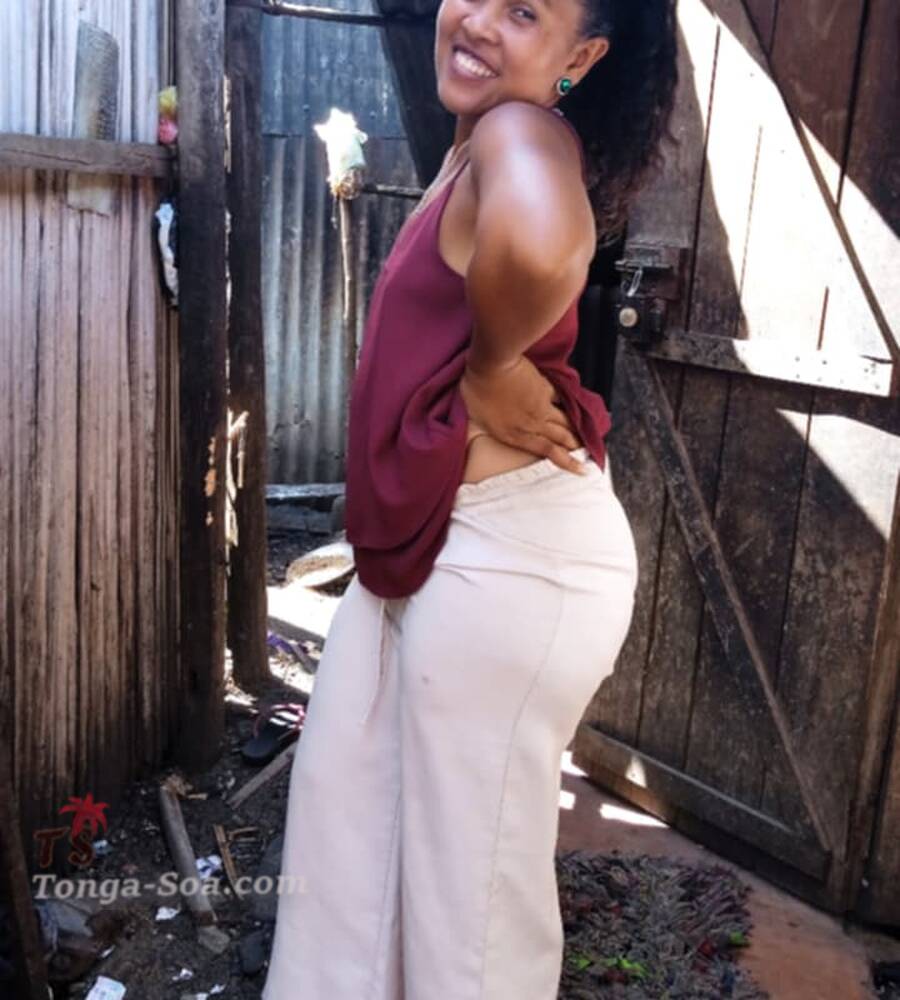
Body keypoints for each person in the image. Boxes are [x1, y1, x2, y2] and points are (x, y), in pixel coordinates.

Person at [262, 0, 678, 996]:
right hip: (436, 551)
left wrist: (495, 365)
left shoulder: (518, 128)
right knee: (351, 848)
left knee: (470, 919)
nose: (481, 20)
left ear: (579, 56)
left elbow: (541, 241)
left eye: (526, 11)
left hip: (512, 560)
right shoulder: (477, 140)